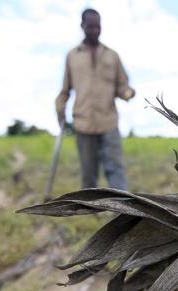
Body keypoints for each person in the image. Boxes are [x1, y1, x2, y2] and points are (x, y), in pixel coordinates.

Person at [55, 8, 135, 191]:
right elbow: (65, 90)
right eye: (90, 27)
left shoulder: (112, 55)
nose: (94, 31)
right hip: (83, 124)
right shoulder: (72, 56)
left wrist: (129, 93)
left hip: (108, 122)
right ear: (82, 26)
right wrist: (60, 109)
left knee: (115, 170)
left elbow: (122, 86)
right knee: (88, 174)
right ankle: (89, 213)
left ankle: (124, 213)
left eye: (97, 27)